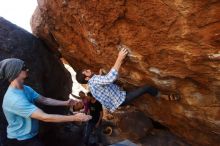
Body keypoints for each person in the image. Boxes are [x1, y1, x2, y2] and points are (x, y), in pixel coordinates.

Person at [0, 58, 92, 146]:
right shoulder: (15, 99)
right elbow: (44, 117)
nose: (27, 69)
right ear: (15, 72)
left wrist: (65, 103)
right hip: (20, 140)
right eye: (24, 68)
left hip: (29, 135)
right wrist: (74, 118)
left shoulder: (25, 89)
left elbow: (44, 100)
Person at [76, 48, 180, 112]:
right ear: (86, 77)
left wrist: (100, 75)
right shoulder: (94, 80)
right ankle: (162, 96)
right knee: (147, 87)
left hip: (118, 101)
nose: (88, 70)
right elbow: (110, 78)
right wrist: (119, 58)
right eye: (86, 71)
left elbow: (103, 88)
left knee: (135, 89)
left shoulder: (92, 86)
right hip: (122, 99)